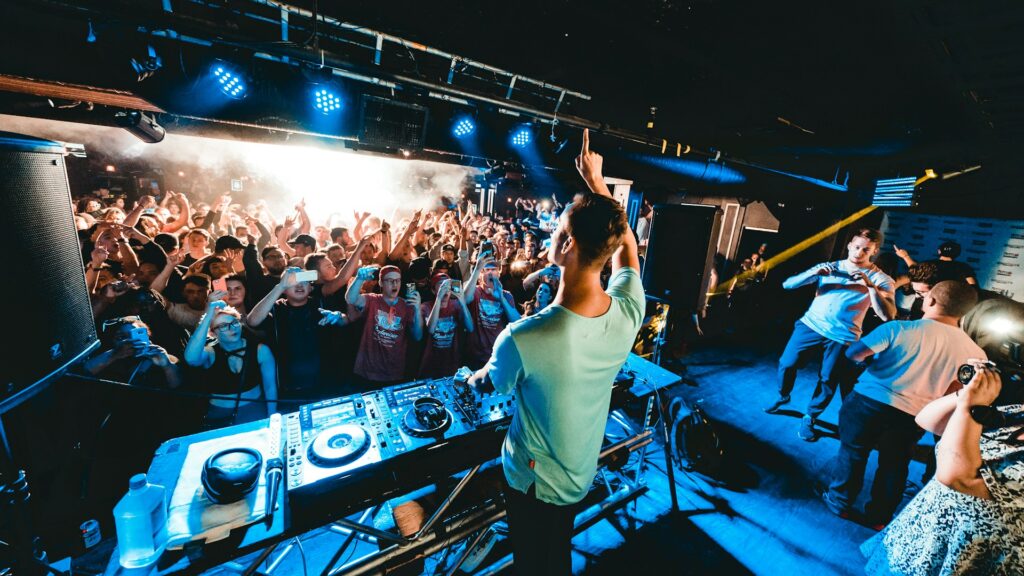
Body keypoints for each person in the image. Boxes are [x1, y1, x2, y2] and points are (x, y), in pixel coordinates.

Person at [467, 129, 644, 575]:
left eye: (558, 229)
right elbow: (628, 253)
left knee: (533, 560)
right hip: (579, 471)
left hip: (533, 480)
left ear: (564, 245)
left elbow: (490, 386)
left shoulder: (525, 337)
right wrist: (598, 187)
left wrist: (472, 377)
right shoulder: (628, 310)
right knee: (555, 550)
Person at [822, 281, 984, 526]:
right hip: (914, 414)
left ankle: (839, 503)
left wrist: (872, 364)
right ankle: (879, 517)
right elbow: (953, 392)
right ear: (965, 312)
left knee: (853, 453)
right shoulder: (975, 354)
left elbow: (853, 353)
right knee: (895, 464)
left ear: (929, 301)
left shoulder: (898, 329)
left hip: (868, 402)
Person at [862, 362, 1024, 575]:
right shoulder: (1018, 414)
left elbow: (958, 479)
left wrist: (973, 407)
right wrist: (966, 392)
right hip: (922, 535)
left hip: (966, 559)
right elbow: (928, 421)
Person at [765, 228, 897, 441]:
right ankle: (783, 396)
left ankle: (811, 416)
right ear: (849, 245)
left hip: (843, 336)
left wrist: (870, 286)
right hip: (811, 325)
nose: (859, 253)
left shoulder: (881, 278)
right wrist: (813, 274)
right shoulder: (830, 267)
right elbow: (787, 285)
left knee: (828, 379)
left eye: (866, 250)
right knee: (787, 363)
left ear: (874, 251)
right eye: (856, 247)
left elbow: (888, 316)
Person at [247, 268, 348, 404]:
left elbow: (345, 321)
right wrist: (280, 286)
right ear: (284, 289)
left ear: (310, 288)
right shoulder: (276, 308)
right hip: (290, 388)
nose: (300, 285)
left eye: (304, 282)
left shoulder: (321, 303)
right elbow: (252, 320)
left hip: (326, 383)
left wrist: (339, 317)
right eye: (293, 282)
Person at [184, 301, 278, 428]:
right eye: (223, 326)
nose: (231, 328)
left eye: (234, 323)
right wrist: (208, 316)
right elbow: (191, 359)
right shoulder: (210, 352)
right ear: (212, 332)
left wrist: (272, 416)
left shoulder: (260, 350)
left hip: (255, 410)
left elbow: (270, 386)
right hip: (220, 415)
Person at [346, 264, 424, 389]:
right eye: (390, 280)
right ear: (381, 283)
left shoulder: (407, 305)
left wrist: (418, 309)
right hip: (368, 370)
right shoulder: (373, 300)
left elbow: (418, 336)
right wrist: (359, 279)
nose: (395, 284)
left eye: (398, 280)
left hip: (394, 371)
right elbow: (351, 299)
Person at [462, 256, 521, 368]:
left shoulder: (506, 295)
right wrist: (477, 269)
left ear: (498, 273)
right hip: (474, 356)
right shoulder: (474, 291)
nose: (490, 273)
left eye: (493, 270)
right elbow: (465, 298)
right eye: (486, 270)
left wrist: (502, 299)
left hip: (496, 354)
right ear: (480, 274)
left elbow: (517, 321)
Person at [419, 274, 474, 378]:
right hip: (430, 365)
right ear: (433, 290)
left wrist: (462, 302)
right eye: (441, 287)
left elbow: (470, 328)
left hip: (452, 364)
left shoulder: (456, 305)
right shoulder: (425, 307)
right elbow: (431, 329)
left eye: (448, 287)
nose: (445, 290)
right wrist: (438, 299)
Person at [894, 240, 978, 286]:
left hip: (924, 304)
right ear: (957, 254)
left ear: (939, 251)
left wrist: (905, 256)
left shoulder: (928, 264)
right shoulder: (964, 267)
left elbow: (915, 270)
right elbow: (973, 286)